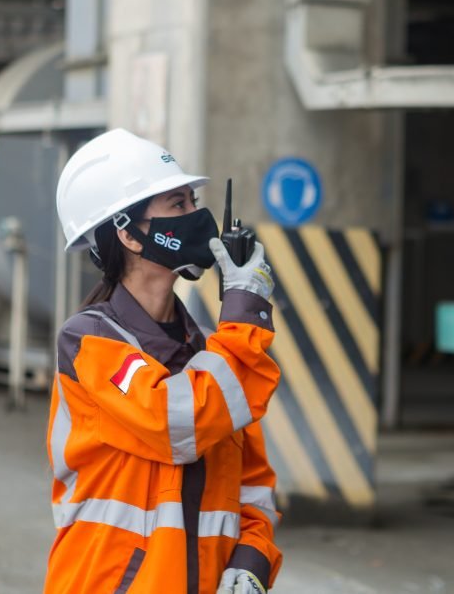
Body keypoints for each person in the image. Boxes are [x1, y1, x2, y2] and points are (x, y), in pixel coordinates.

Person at [45, 128, 282, 593]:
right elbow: (178, 425)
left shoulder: (210, 355)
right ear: (128, 235)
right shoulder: (89, 341)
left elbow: (253, 486)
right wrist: (244, 313)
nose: (198, 216)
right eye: (178, 205)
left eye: (193, 200)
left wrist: (252, 558)